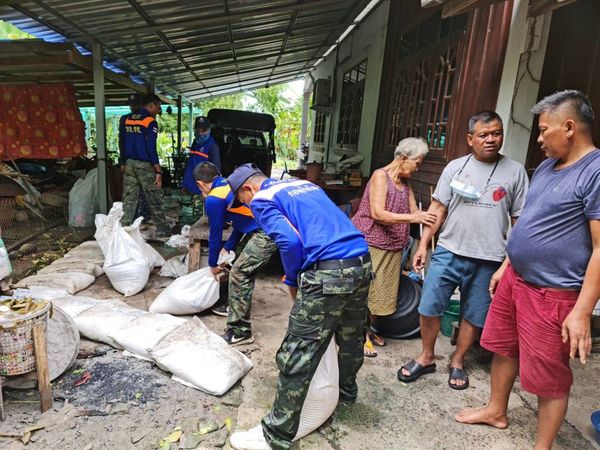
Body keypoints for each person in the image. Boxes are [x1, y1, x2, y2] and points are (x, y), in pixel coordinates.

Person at [456, 90, 600, 449]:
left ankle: (542, 447)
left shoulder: (595, 173)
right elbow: (527, 223)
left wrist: (582, 311)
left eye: (543, 130)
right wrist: (507, 264)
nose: (538, 139)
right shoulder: (549, 167)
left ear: (569, 127)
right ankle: (496, 410)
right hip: (516, 279)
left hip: (553, 291)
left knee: (550, 374)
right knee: (503, 348)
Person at [227, 164, 372, 450]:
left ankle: (276, 435)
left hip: (328, 272)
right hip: (362, 262)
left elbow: (290, 241)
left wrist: (292, 278)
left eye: (242, 200)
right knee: (352, 335)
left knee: (298, 352)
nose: (246, 206)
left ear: (248, 189)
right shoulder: (305, 186)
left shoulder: (262, 200)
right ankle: (346, 391)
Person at [398, 111, 529, 390]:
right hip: (449, 249)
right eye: (484, 135)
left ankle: (458, 360)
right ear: (470, 139)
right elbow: (437, 209)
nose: (491, 139)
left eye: (496, 133)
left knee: (474, 313)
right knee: (429, 306)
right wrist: (422, 245)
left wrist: (508, 261)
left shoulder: (515, 171)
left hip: (490, 257)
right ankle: (426, 355)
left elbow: (519, 221)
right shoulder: (455, 167)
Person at [352, 137, 436, 357]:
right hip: (373, 243)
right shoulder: (381, 176)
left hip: (394, 246)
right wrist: (413, 217)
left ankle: (369, 329)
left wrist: (429, 216)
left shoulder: (404, 184)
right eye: (417, 163)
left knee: (383, 293)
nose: (418, 168)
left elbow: (414, 214)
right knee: (367, 291)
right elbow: (378, 214)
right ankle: (359, 336)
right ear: (404, 158)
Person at [193, 161, 277, 344]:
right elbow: (242, 221)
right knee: (233, 263)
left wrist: (212, 264)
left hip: (267, 230)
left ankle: (240, 331)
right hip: (258, 227)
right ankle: (231, 303)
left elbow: (215, 233)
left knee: (240, 272)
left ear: (200, 184)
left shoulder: (214, 199)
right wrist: (229, 247)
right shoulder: (228, 184)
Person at [121, 93, 171, 236]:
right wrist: (157, 168)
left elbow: (123, 142)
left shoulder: (128, 119)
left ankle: (123, 233)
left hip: (130, 164)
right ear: (150, 105)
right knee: (154, 199)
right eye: (158, 107)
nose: (158, 110)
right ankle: (164, 232)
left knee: (129, 200)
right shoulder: (150, 121)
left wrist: (123, 161)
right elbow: (151, 147)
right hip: (144, 165)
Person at [182, 116, 221, 195]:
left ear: (209, 129)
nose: (200, 133)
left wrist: (211, 193)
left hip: (201, 192)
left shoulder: (213, 147)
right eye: (198, 129)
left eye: (203, 130)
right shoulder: (195, 143)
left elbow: (217, 173)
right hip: (189, 188)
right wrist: (184, 184)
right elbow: (190, 164)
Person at [118, 93, 143, 174]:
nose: (133, 107)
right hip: (134, 160)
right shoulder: (124, 119)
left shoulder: (146, 118)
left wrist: (122, 162)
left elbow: (121, 142)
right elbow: (121, 141)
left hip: (139, 160)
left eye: (135, 105)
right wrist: (122, 162)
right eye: (132, 105)